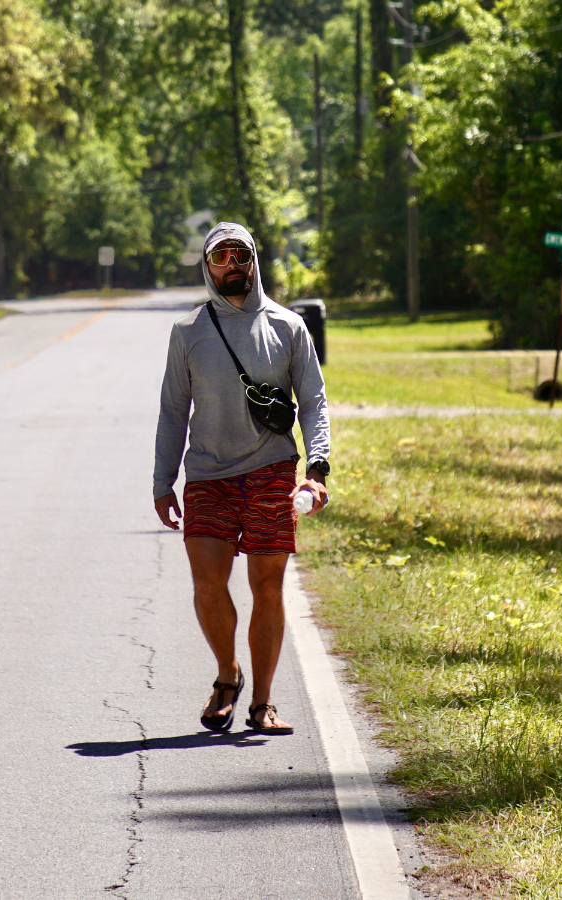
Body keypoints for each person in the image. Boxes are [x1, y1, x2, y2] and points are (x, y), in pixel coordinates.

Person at [153, 221, 331, 735]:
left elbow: (314, 403)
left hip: (271, 472)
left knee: (267, 586)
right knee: (208, 584)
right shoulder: (188, 333)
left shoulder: (287, 326)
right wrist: (163, 482)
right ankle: (227, 675)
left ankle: (263, 701)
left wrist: (316, 469)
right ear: (208, 267)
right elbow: (172, 410)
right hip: (208, 474)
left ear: (254, 260)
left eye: (240, 254)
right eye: (220, 256)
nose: (232, 264)